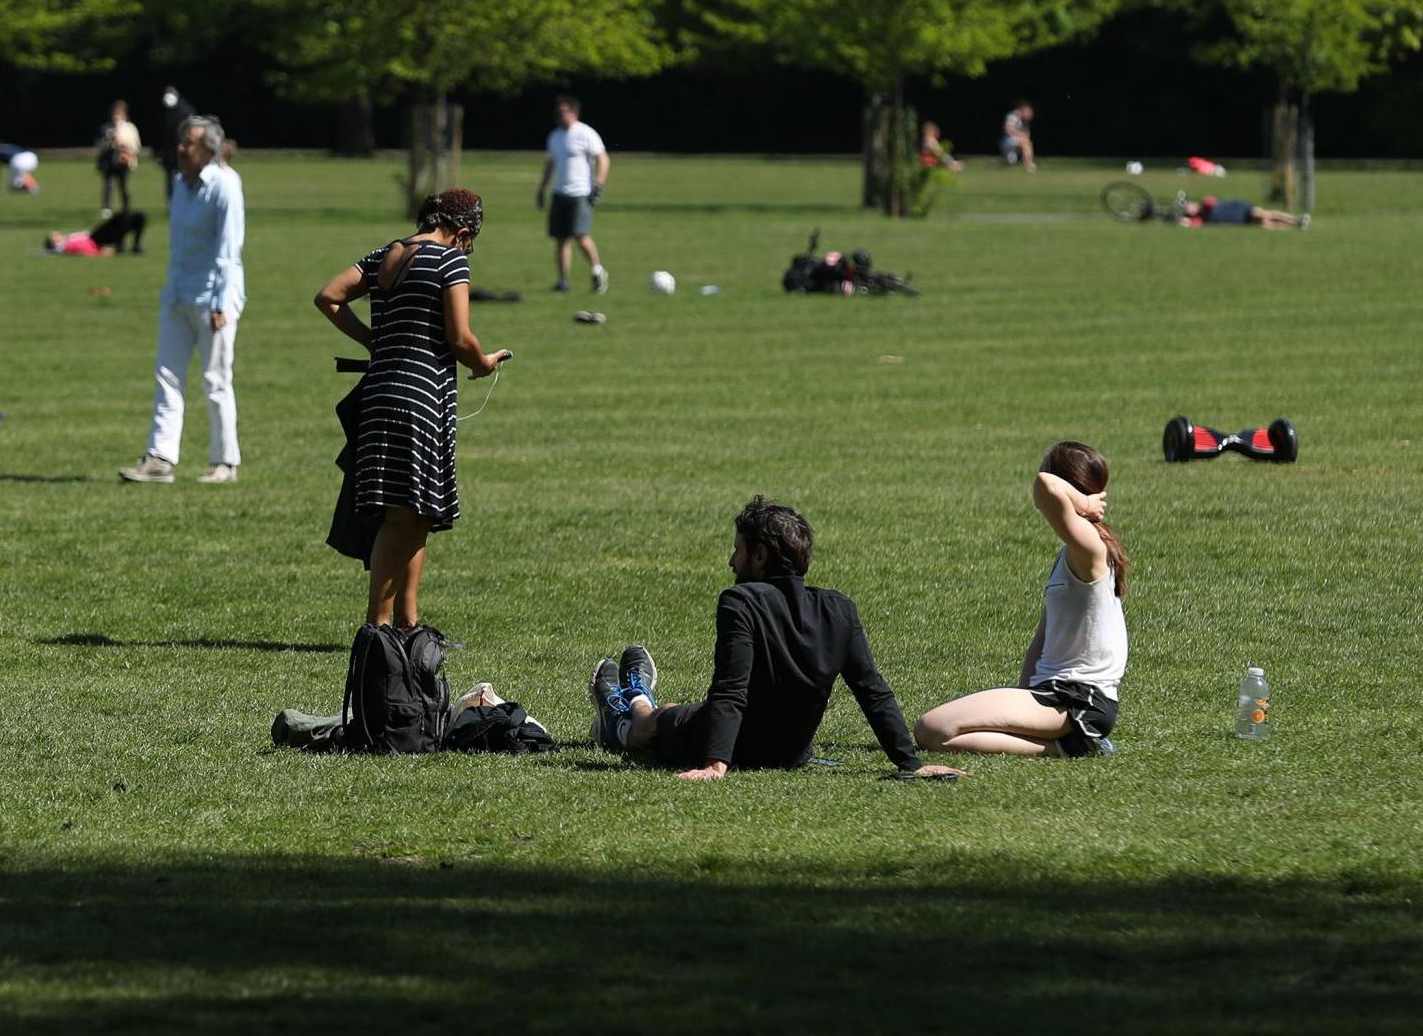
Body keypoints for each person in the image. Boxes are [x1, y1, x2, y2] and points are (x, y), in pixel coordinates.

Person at [587, 495, 962, 781]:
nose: (731, 562)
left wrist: (716, 763)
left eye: (738, 549)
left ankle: (625, 710)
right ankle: (634, 699)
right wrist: (911, 763)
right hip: (791, 754)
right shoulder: (839, 608)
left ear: (760, 555)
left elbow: (731, 688)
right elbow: (871, 689)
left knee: (659, 719)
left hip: (730, 744)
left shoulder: (740, 601)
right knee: (686, 712)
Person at [313, 189, 508, 629]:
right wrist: (484, 362)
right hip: (419, 400)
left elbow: (328, 296)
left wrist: (372, 340)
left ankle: (407, 625)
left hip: (380, 393)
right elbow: (460, 339)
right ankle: (378, 629)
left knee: (417, 514)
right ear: (462, 232)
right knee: (400, 518)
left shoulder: (388, 253)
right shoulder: (450, 260)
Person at [915, 443, 1128, 758]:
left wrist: (1082, 502)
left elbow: (1044, 484)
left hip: (1075, 699)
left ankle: (1069, 747)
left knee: (931, 729)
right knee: (935, 731)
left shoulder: (1091, 548)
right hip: (1058, 694)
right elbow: (1043, 637)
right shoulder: (1075, 551)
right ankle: (1070, 745)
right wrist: (1023, 694)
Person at [119, 115, 244, 486]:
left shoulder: (225, 186)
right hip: (178, 294)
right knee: (167, 375)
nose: (180, 148)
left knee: (215, 379)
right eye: (180, 141)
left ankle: (225, 461)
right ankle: (160, 458)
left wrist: (221, 301)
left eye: (187, 143)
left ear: (208, 149)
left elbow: (228, 249)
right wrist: (170, 290)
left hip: (213, 297)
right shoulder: (179, 184)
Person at [537, 95, 610, 294]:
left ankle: (597, 270)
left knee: (580, 235)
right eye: (559, 112)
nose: (562, 115)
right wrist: (542, 189)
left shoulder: (586, 133)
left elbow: (603, 159)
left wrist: (598, 184)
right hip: (560, 193)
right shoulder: (555, 136)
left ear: (574, 112)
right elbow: (550, 164)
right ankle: (563, 281)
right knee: (561, 239)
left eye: (566, 111)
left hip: (580, 193)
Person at [97, 99, 141, 215]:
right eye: (115, 114)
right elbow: (100, 145)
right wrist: (109, 141)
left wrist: (127, 149)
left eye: (120, 114)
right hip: (109, 161)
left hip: (123, 161)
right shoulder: (106, 128)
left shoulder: (130, 128)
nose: (117, 117)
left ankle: (126, 208)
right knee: (108, 184)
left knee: (123, 185)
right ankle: (106, 208)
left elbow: (136, 145)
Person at [47, 209, 147, 256]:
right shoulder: (64, 246)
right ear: (54, 242)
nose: (57, 233)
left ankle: (135, 246)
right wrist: (101, 253)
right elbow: (84, 252)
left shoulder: (67, 240)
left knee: (137, 217)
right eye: (54, 235)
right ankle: (121, 245)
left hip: (95, 235)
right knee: (122, 217)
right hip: (96, 239)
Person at [156, 85, 194, 204]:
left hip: (183, 152)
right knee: (169, 179)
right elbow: (158, 134)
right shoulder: (162, 113)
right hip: (168, 154)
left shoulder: (186, 111)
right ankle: (171, 203)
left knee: (184, 178)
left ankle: (184, 201)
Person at [1183, 195, 1304, 230]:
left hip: (1241, 209)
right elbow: (1192, 224)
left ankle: (1295, 220)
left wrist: (1198, 209)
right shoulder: (1200, 219)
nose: (1191, 209)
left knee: (1264, 214)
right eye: (1188, 210)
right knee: (1266, 224)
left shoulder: (1206, 203)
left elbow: (1212, 203)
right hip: (1239, 220)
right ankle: (1294, 226)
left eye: (1190, 206)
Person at [1000, 101, 1036, 170]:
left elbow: (1027, 135)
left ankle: (1028, 163)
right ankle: (1029, 164)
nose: (1030, 114)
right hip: (1007, 140)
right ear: (1023, 110)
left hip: (1014, 141)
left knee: (1010, 162)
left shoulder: (1023, 121)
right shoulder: (1012, 116)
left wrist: (1023, 135)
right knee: (1026, 143)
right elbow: (1008, 129)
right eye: (1028, 112)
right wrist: (1020, 134)